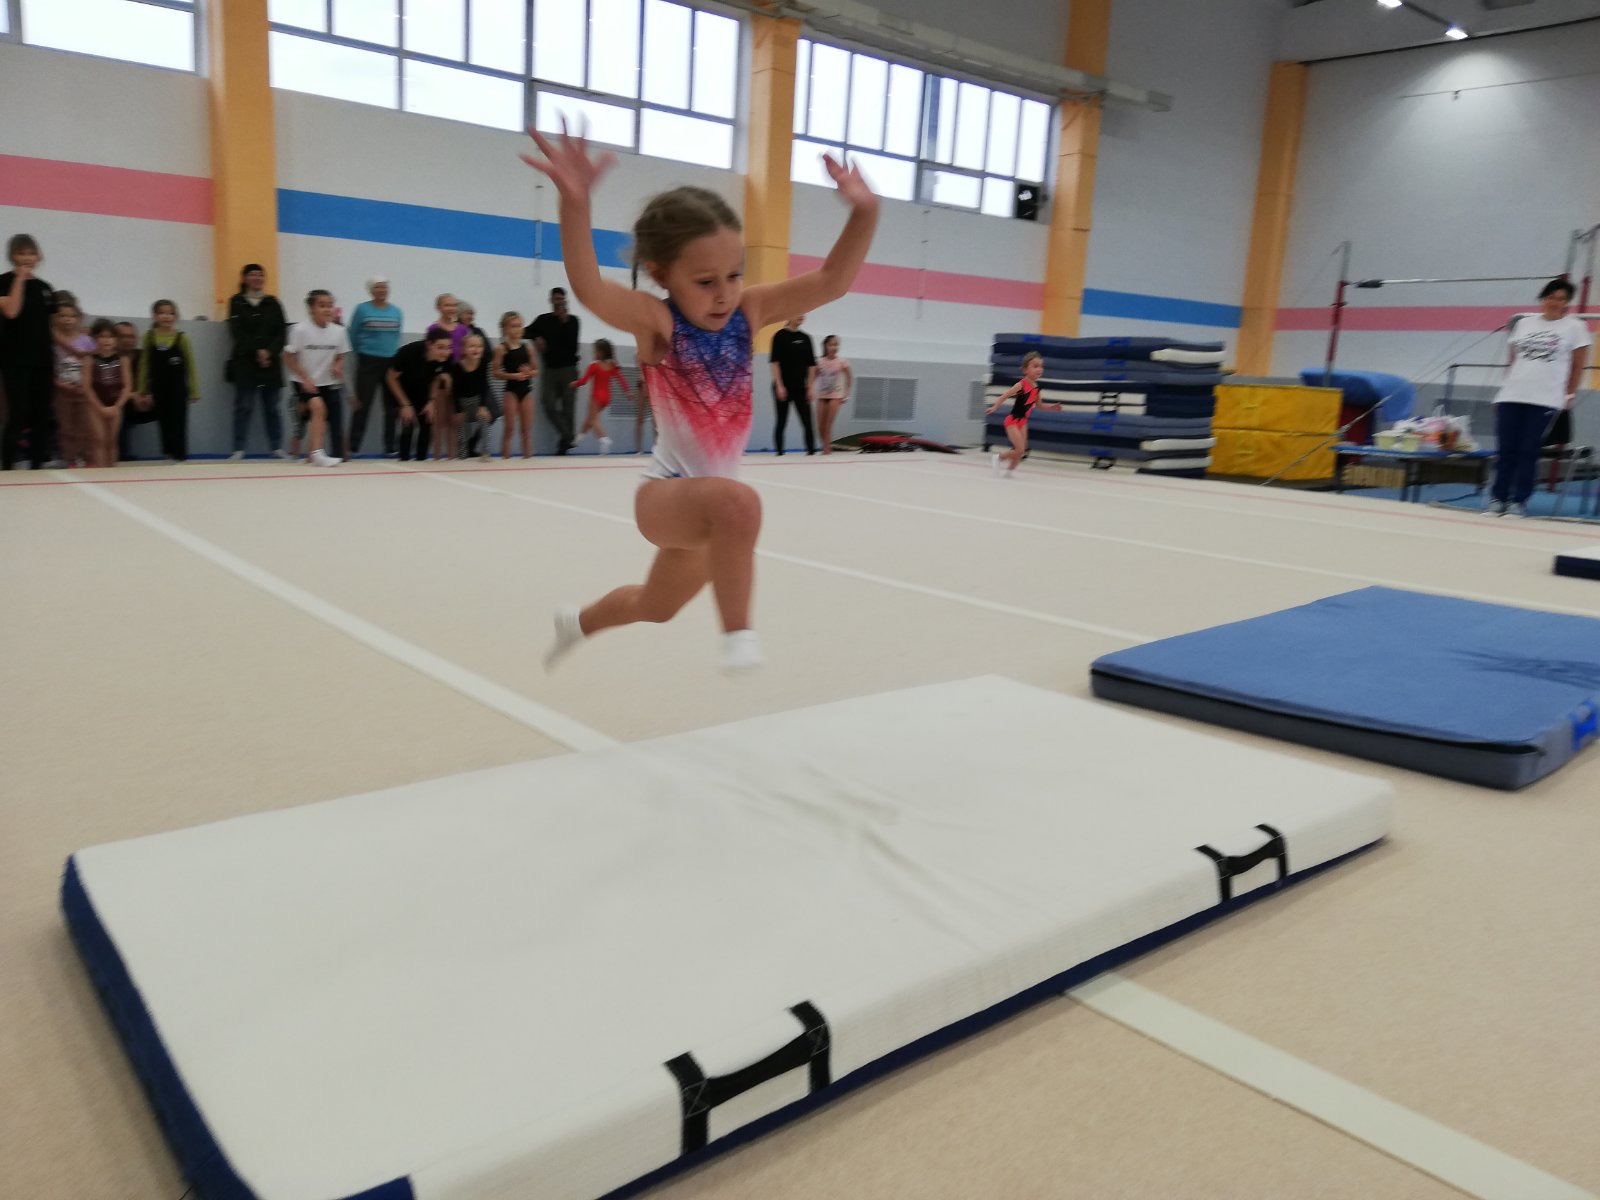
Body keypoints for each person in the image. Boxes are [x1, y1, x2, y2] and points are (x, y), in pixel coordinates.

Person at [521, 124, 878, 674]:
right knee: (741, 504)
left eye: (734, 275)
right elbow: (590, 288)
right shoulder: (659, 322)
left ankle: (577, 623)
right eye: (706, 281)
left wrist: (865, 212)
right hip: (666, 496)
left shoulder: (749, 312)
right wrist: (575, 204)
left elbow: (832, 280)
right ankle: (739, 639)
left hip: (711, 514)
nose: (724, 293)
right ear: (662, 274)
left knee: (656, 606)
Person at [1486, 278, 1591, 517]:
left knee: (1527, 450)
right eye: (1551, 297)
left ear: (1567, 303)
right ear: (1543, 299)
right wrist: (1502, 392)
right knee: (1506, 450)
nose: (1555, 302)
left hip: (1545, 398)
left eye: (1561, 299)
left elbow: (1577, 366)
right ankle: (1498, 498)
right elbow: (1514, 361)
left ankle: (1519, 501)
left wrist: (1570, 393)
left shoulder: (1575, 327)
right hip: (1512, 394)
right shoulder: (1524, 323)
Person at [0, 233, 59, 469]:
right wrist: (20, 280)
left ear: (38, 256)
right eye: (21, 253)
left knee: (41, 413)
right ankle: (7, 465)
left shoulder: (45, 288)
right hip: (15, 359)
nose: (27, 258)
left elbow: (50, 327)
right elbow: (11, 311)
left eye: (31, 253)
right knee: (18, 413)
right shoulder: (3, 281)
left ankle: (37, 465)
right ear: (12, 256)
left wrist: (73, 350)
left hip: (43, 360)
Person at [227, 263, 289, 460]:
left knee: (272, 407)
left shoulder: (273, 302)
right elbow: (237, 331)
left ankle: (276, 447)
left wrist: (269, 352)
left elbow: (281, 332)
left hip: (270, 363)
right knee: (244, 406)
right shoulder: (236, 302)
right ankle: (238, 448)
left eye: (261, 275)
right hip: (245, 362)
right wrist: (257, 351)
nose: (257, 278)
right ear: (245, 278)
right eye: (253, 275)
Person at [283, 289, 348, 468]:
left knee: (322, 418)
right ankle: (318, 454)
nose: (327, 309)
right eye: (322, 305)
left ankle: (312, 454)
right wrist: (305, 378)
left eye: (330, 305)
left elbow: (341, 355)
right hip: (303, 380)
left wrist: (337, 366)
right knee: (318, 408)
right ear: (311, 308)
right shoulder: (300, 330)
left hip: (328, 381)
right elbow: (288, 356)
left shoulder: (339, 331)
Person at [348, 276, 404, 457]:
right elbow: (353, 334)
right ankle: (353, 447)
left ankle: (390, 447)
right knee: (362, 405)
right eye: (378, 287)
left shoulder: (396, 311)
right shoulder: (362, 309)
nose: (382, 290)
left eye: (384, 287)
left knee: (391, 408)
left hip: (390, 362)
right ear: (371, 290)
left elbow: (396, 336)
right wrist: (362, 352)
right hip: (368, 361)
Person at [138, 300, 199, 463]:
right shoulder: (149, 337)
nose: (166, 316)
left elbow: (191, 366)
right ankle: (167, 454)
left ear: (175, 316)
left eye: (170, 313)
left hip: (178, 387)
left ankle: (180, 456)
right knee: (164, 421)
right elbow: (144, 364)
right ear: (154, 316)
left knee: (178, 421)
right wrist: (142, 389)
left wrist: (195, 390)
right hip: (158, 387)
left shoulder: (182, 338)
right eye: (162, 313)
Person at [387, 327, 454, 461]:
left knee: (427, 421)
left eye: (448, 347)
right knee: (408, 422)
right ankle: (404, 460)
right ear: (429, 344)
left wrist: (431, 400)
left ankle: (421, 460)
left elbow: (436, 378)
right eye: (440, 347)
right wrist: (405, 405)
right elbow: (390, 378)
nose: (445, 352)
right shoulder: (409, 352)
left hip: (423, 388)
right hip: (401, 387)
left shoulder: (447, 358)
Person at [985, 351, 1057, 476]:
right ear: (1025, 370)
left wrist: (1051, 407)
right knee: (1020, 449)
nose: (1039, 369)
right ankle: (998, 458)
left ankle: (1009, 472)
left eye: (1041, 366)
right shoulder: (1021, 384)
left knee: (1021, 452)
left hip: (1023, 422)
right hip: (1012, 421)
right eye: (1035, 366)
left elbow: (1039, 405)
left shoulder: (1036, 388)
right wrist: (995, 406)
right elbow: (1004, 396)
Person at [531, 285, 581, 453]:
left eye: (562, 299)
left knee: (568, 407)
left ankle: (564, 444)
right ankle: (569, 436)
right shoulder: (543, 320)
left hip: (569, 369)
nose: (559, 302)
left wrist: (565, 322)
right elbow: (526, 331)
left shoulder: (573, 321)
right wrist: (536, 337)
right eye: (557, 299)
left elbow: (573, 347)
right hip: (550, 369)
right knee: (548, 403)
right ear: (551, 300)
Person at [50, 294, 94, 467]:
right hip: (62, 391)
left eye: (72, 316)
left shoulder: (86, 340)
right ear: (55, 318)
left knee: (83, 425)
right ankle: (69, 458)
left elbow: (92, 364)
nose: (68, 320)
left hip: (83, 390)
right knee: (66, 427)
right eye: (63, 316)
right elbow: (50, 368)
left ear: (78, 318)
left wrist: (85, 385)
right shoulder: (52, 342)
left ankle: (83, 456)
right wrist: (59, 384)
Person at [572, 337, 631, 454]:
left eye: (595, 351)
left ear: (601, 353)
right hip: (607, 398)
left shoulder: (593, 366)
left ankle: (604, 439)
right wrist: (627, 391)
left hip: (596, 397)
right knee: (590, 418)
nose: (593, 353)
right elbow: (621, 379)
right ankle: (577, 440)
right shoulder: (612, 365)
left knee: (593, 420)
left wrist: (575, 383)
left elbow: (584, 381)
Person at [768, 314, 817, 455]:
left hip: (801, 387)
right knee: (781, 420)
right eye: (798, 313)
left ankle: (811, 451)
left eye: (803, 313)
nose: (801, 316)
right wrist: (779, 385)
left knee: (807, 421)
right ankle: (780, 452)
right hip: (783, 386)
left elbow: (812, 365)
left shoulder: (806, 338)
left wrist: (810, 386)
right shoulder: (779, 336)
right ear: (789, 315)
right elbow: (775, 363)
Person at [85, 318, 131, 467]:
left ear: (116, 340)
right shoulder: (89, 360)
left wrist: (117, 406)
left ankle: (111, 471)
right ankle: (100, 472)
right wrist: (100, 408)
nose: (106, 340)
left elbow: (127, 387)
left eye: (110, 337)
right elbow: (87, 387)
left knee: (111, 440)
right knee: (99, 440)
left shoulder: (123, 360)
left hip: (115, 405)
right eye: (102, 337)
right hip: (95, 406)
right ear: (94, 339)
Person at [494, 311, 536, 460]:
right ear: (505, 328)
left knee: (526, 429)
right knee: (510, 428)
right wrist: (513, 376)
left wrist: (529, 373)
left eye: (519, 326)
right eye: (513, 326)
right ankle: (506, 458)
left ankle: (528, 458)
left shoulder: (528, 348)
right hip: (511, 390)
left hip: (526, 391)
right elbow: (495, 372)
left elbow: (536, 371)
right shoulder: (501, 349)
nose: (517, 329)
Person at [449, 332, 498, 459]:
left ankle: (486, 452)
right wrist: (458, 411)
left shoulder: (483, 364)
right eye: (472, 346)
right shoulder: (457, 367)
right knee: (462, 426)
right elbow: (454, 391)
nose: (476, 349)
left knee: (485, 419)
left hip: (477, 399)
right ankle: (463, 453)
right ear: (463, 350)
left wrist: (482, 406)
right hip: (462, 401)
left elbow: (484, 386)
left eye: (479, 346)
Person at [114, 320, 155, 461]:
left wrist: (151, 395)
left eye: (131, 336)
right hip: (122, 404)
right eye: (122, 336)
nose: (128, 340)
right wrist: (132, 396)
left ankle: (174, 453)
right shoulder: (108, 359)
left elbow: (158, 379)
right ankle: (121, 455)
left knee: (174, 399)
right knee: (118, 406)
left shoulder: (145, 356)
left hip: (147, 403)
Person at [813, 334, 852, 454]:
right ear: (826, 346)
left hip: (836, 395)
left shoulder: (842, 362)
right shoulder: (819, 361)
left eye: (836, 345)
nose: (834, 347)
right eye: (831, 345)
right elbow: (813, 377)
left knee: (828, 424)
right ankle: (826, 445)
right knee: (820, 425)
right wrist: (809, 390)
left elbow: (849, 378)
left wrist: (846, 394)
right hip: (822, 395)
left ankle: (826, 449)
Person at [430, 293, 469, 361]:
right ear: (438, 308)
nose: (451, 308)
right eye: (447, 305)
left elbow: (466, 351)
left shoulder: (462, 329)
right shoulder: (433, 328)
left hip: (458, 366)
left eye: (454, 305)